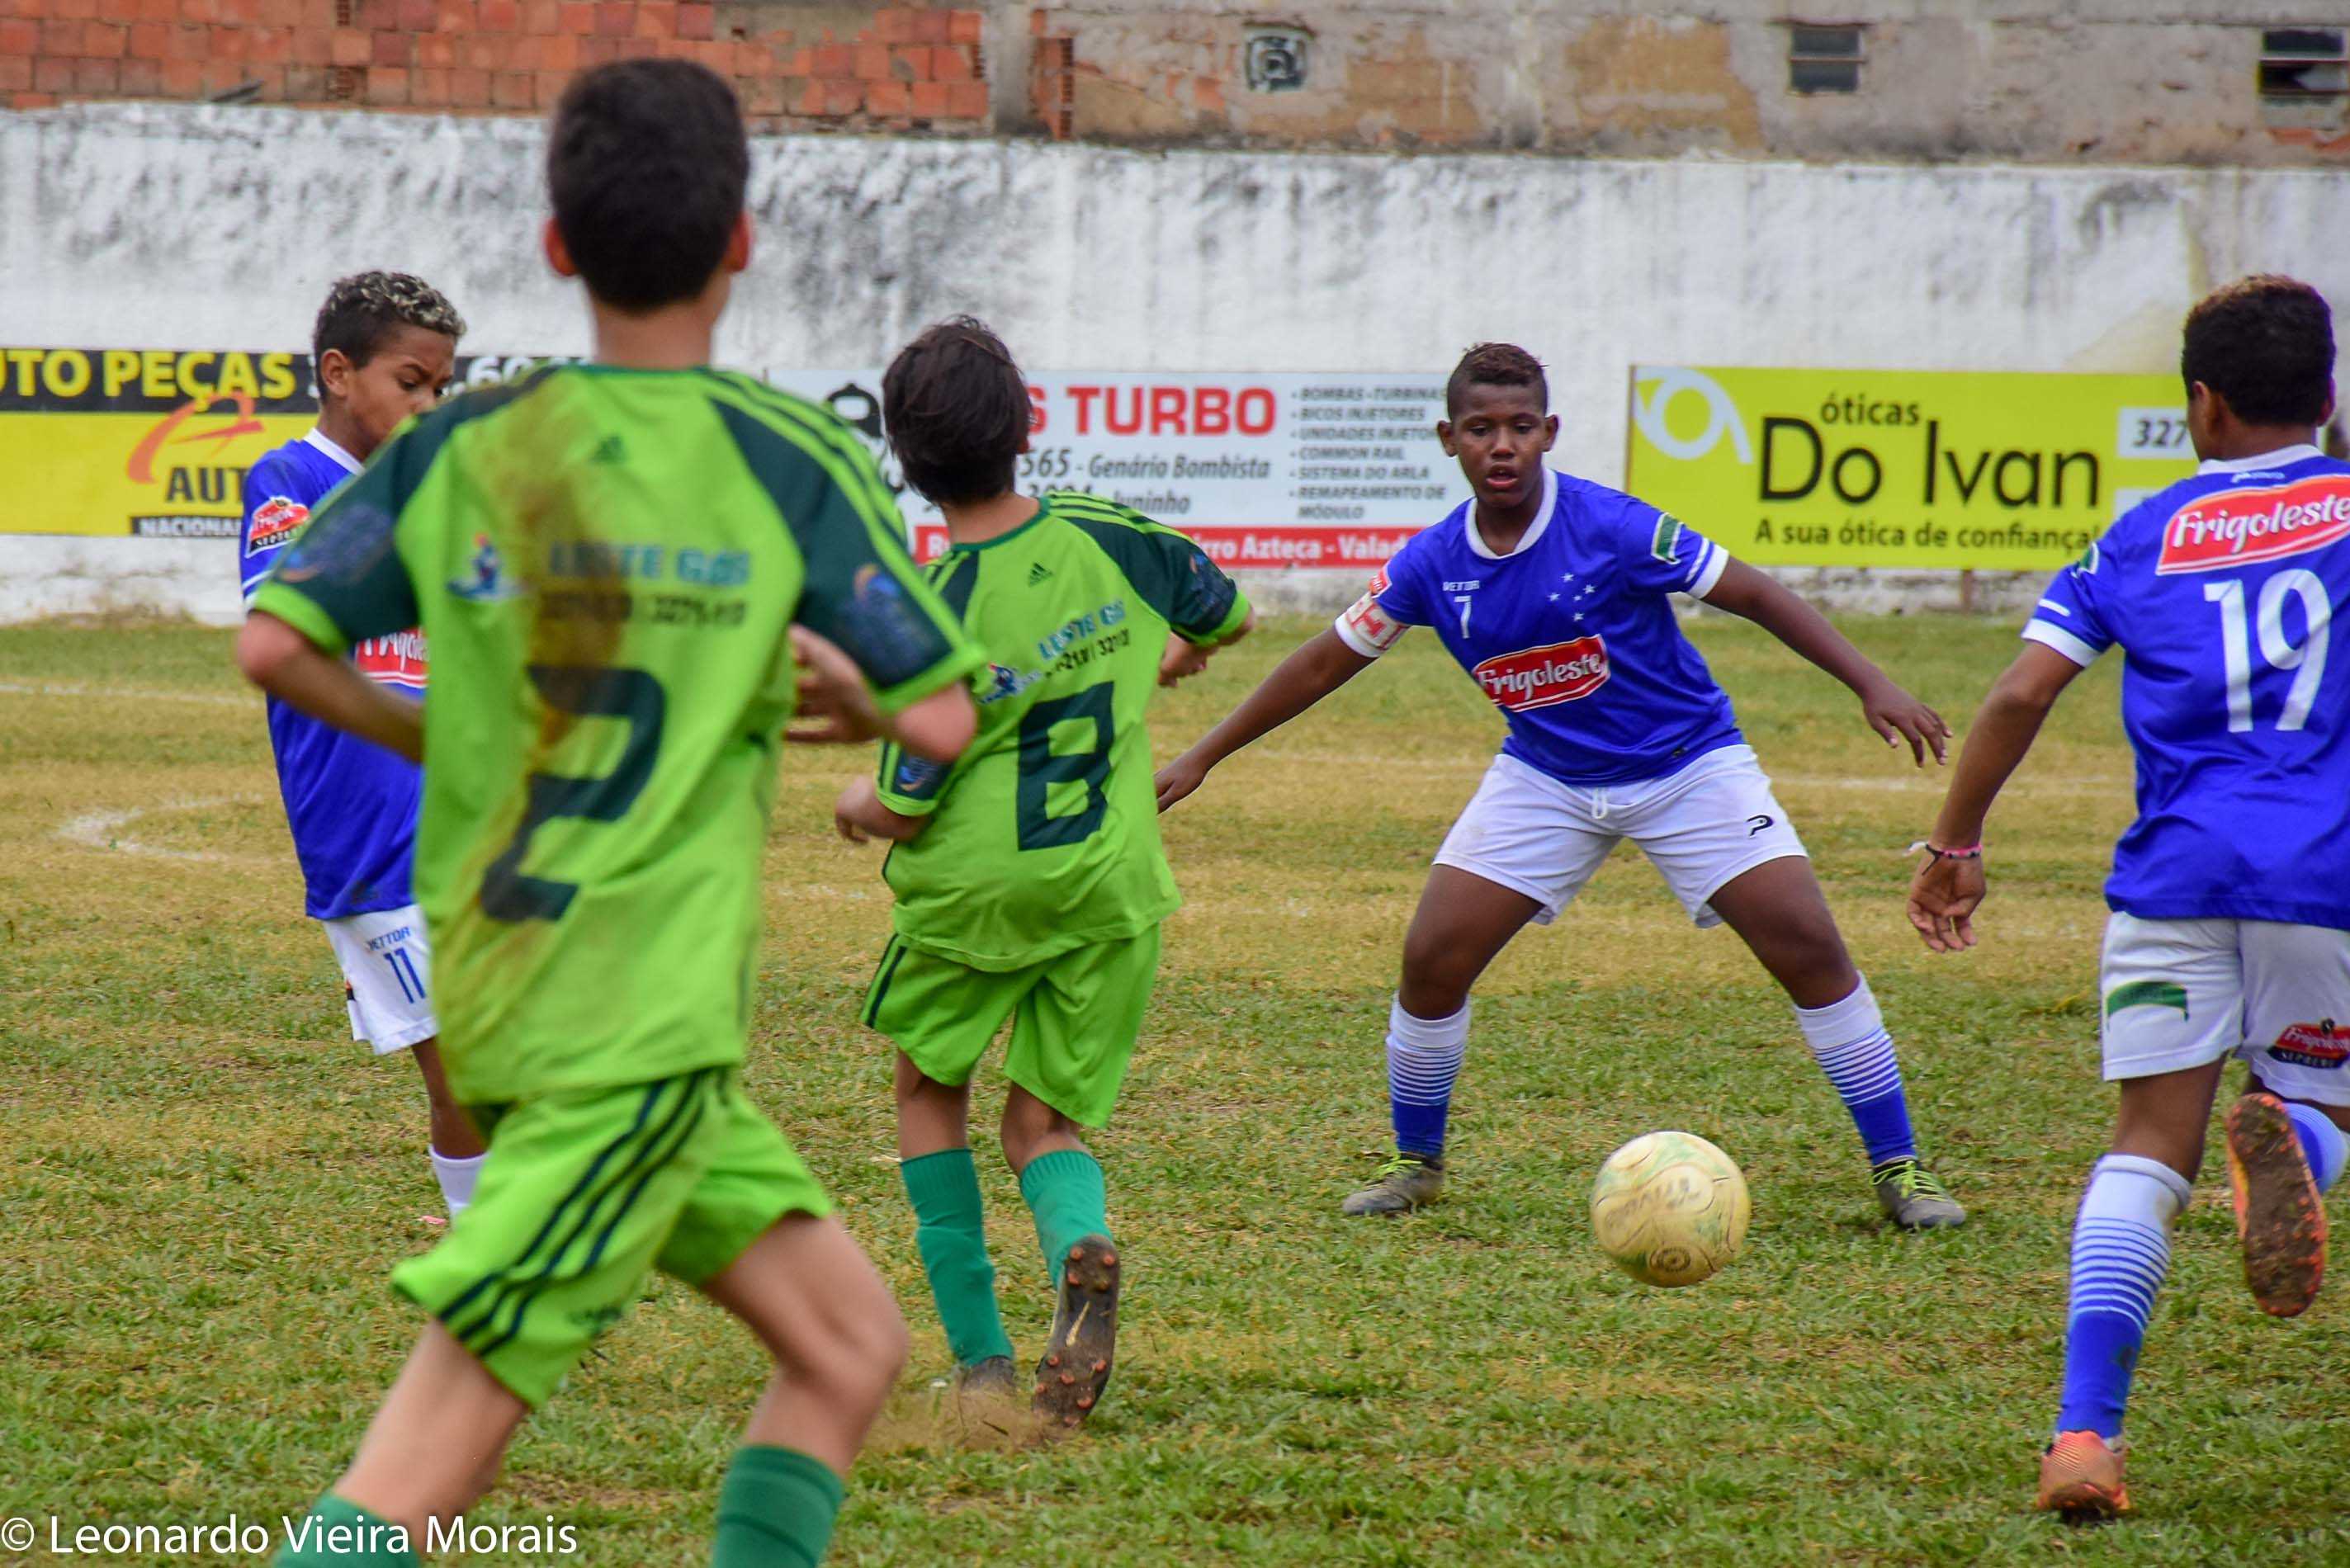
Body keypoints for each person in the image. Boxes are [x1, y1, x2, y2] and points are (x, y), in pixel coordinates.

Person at [237, 60, 984, 1567]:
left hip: (555, 991)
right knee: (416, 1474)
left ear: (556, 247)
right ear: (745, 242)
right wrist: (822, 685)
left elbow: (274, 642)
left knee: (847, 1348)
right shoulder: (786, 457)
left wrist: (438, 730)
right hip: (620, 1021)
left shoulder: (462, 446)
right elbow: (941, 717)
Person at [1157, 342, 1966, 1229]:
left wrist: (1869, 681)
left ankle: (1903, 1169)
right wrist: (1204, 755)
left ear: (1548, 433)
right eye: (1479, 429)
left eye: (1518, 427)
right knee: (1432, 960)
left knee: (1811, 948)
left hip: (1688, 765)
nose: (1500, 445)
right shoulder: (1431, 564)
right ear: (1447, 440)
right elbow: (1322, 663)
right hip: (1546, 777)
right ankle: (1414, 1163)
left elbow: (1755, 593)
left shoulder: (1613, 526)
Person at [1908, 275, 2349, 1521]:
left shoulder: (2138, 533)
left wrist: (1953, 842)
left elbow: (2013, 696)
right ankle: (2298, 1154)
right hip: (2321, 881)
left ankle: (2082, 1438)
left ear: (2199, 408)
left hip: (2168, 880)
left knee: (2139, 1151)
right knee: (2327, 1105)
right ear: (2323, 397)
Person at [837, 317, 1252, 1429]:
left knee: (930, 1093)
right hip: (1107, 888)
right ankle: (1078, 1242)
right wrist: (1164, 653)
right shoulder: (1111, 535)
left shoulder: (934, 610)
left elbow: (903, 798)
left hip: (975, 898)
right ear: (1027, 421)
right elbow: (1224, 612)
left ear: (906, 462)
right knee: (1043, 1129)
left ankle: (978, 1367)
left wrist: (848, 807)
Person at [239, 271, 487, 1216]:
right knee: (459, 1062)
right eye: (411, 382)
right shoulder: (291, 483)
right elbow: (286, 638)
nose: (428, 405)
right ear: (339, 373)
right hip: (368, 831)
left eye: (441, 389)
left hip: (462, 818)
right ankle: (489, 1270)